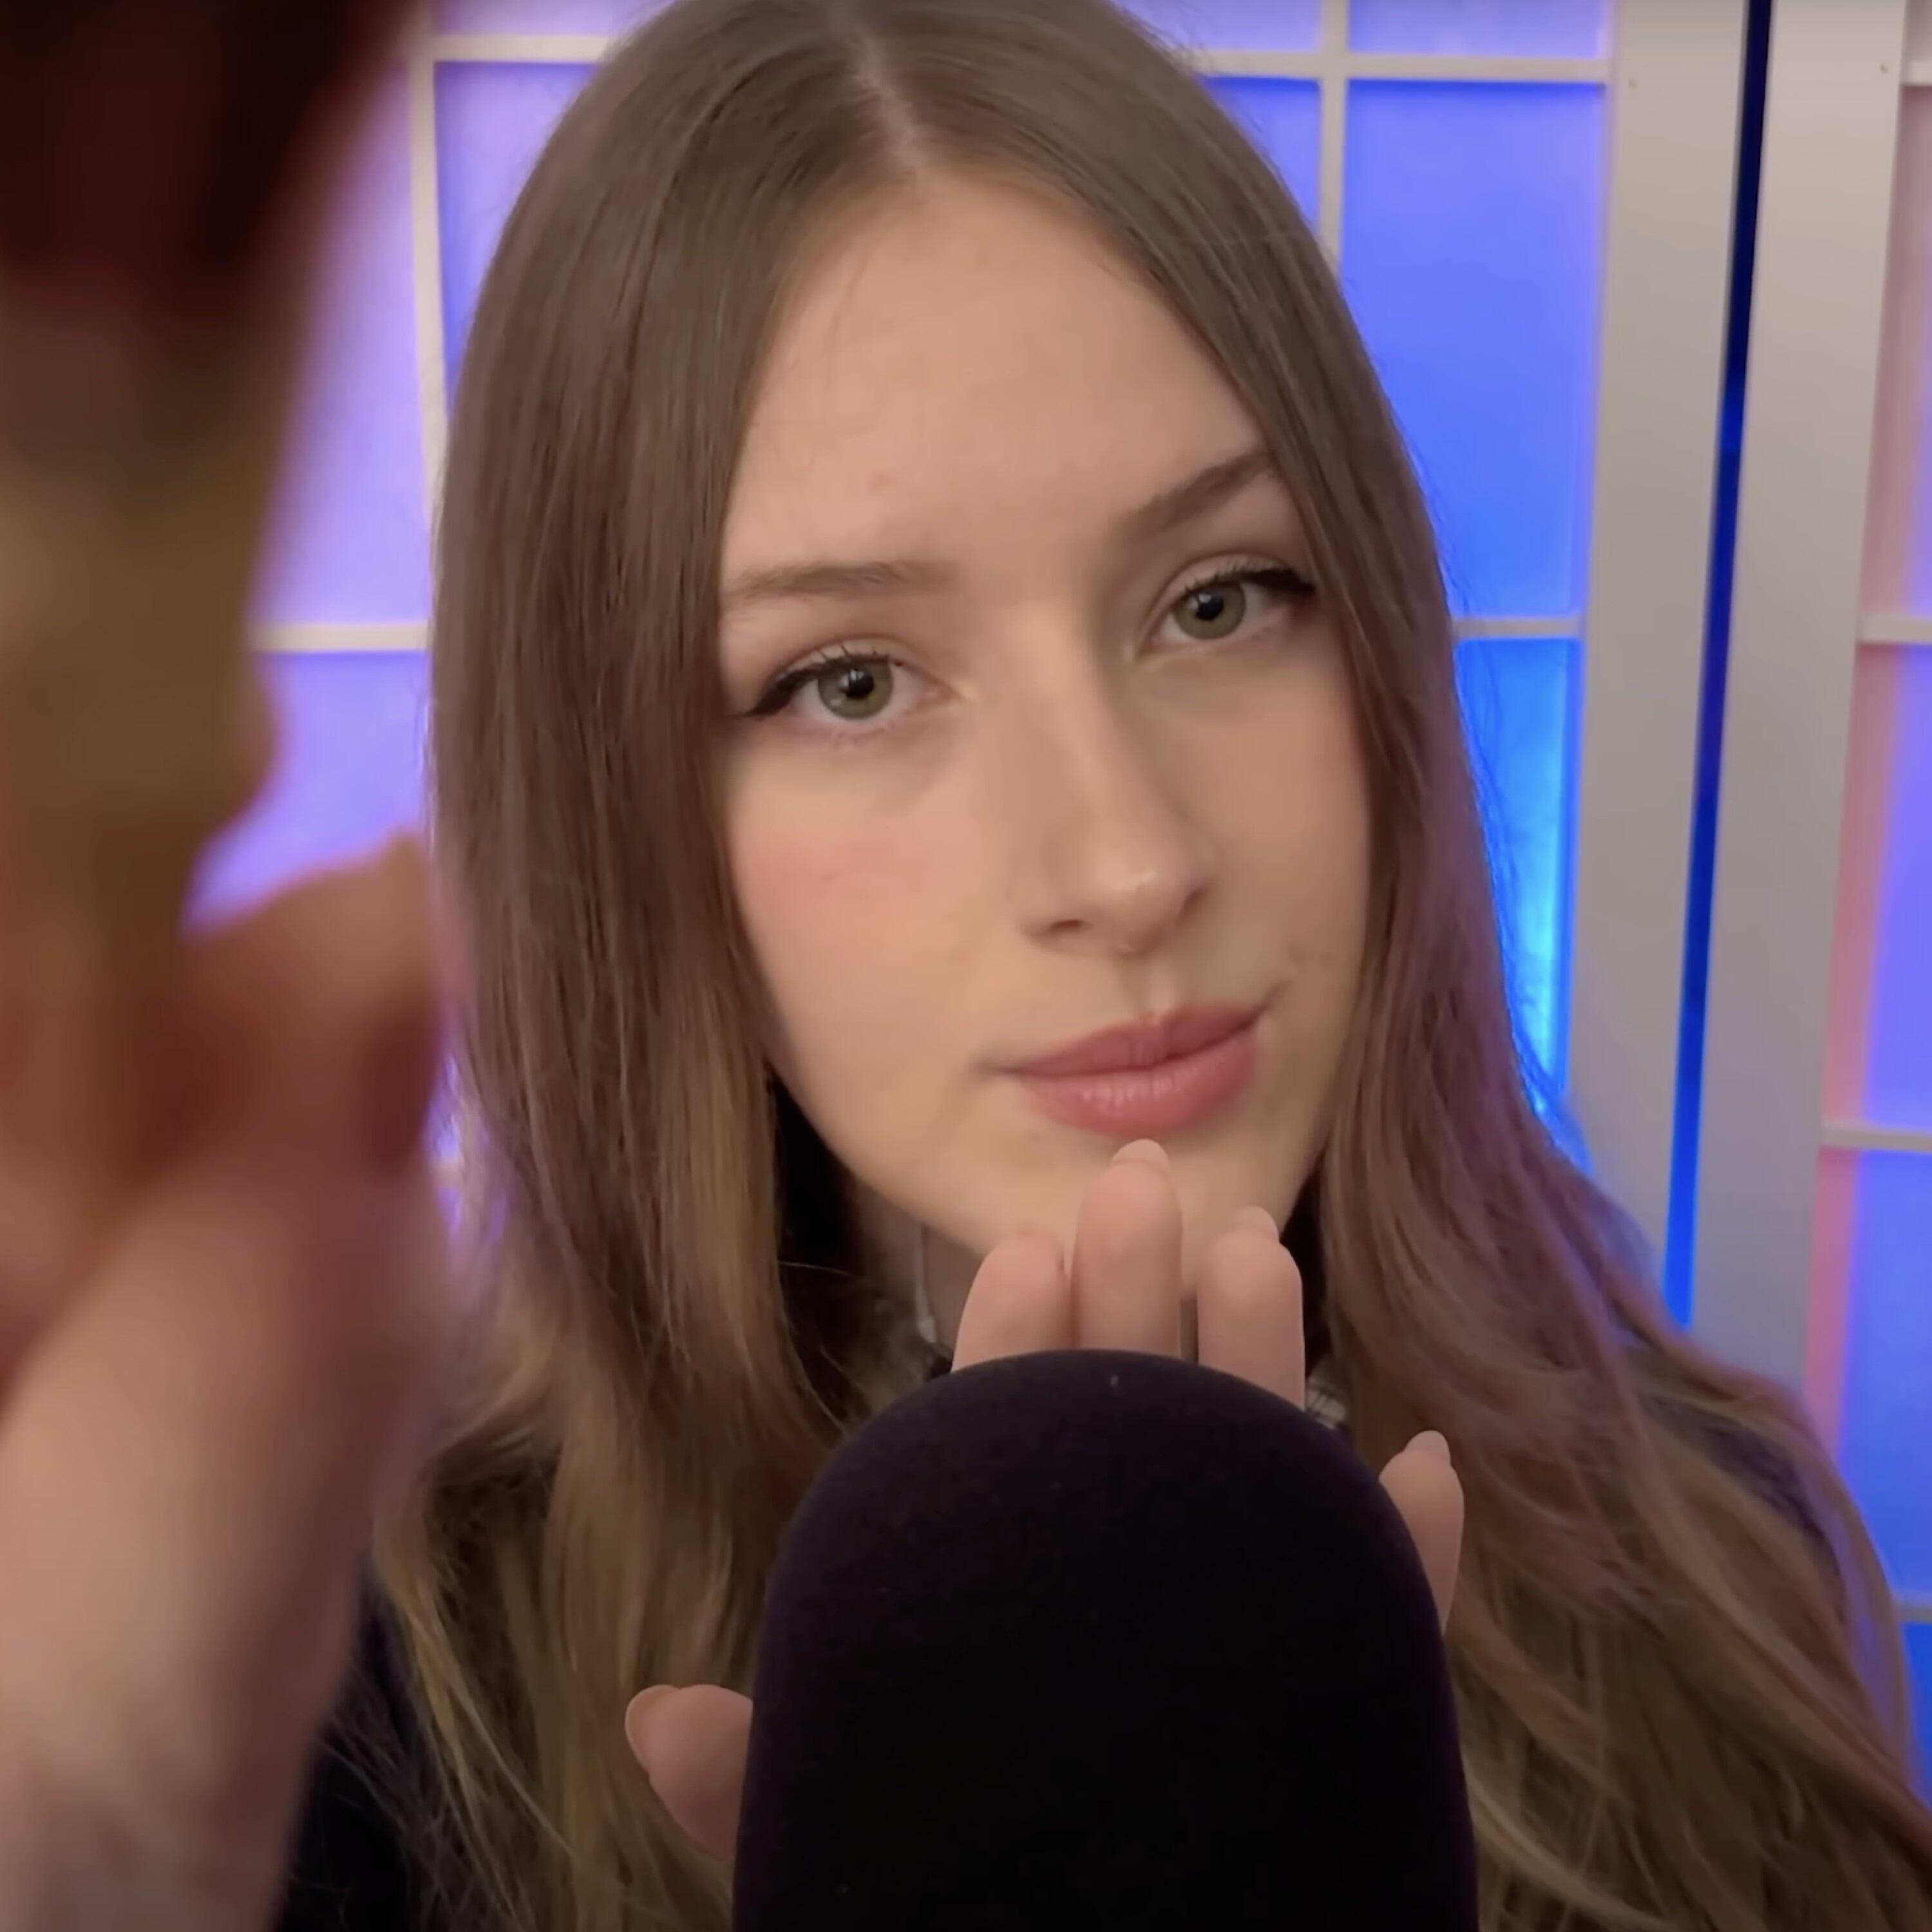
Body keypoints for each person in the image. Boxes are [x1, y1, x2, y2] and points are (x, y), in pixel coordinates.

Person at [3, 0, 1931, 1928]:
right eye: (850, 683)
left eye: (1218, 599)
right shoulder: (335, 1716)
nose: (1128, 863)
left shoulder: (1704, 1550)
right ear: (611, 813)